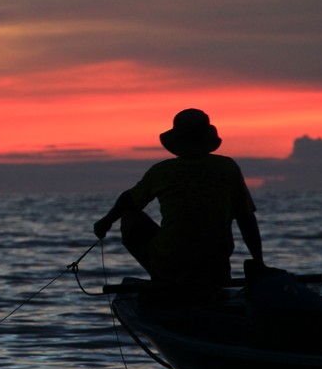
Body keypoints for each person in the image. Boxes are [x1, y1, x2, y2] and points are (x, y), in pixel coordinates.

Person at [93, 109, 264, 288]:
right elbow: (246, 219)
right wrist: (258, 261)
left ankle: (165, 279)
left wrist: (106, 221)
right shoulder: (227, 167)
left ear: (178, 142)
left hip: (170, 264)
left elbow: (128, 200)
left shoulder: (163, 171)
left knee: (130, 217)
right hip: (216, 266)